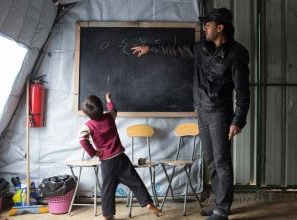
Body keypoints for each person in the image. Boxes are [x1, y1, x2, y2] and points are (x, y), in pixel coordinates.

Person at [131, 7, 250, 220]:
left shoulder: (237, 54)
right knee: (211, 160)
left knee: (221, 161)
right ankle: (218, 204)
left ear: (220, 27)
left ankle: (222, 210)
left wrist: (238, 120)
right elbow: (175, 49)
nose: (204, 28)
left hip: (220, 114)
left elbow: (243, 91)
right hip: (202, 111)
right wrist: (150, 48)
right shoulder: (200, 48)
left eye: (208, 25)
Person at [79, 92, 159, 220]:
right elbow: (113, 109)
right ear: (101, 107)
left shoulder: (88, 126)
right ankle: (148, 203)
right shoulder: (109, 117)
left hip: (107, 163)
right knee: (136, 182)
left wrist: (94, 153)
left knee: (107, 190)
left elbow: (82, 140)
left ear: (88, 114)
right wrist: (108, 99)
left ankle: (107, 215)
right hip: (121, 158)